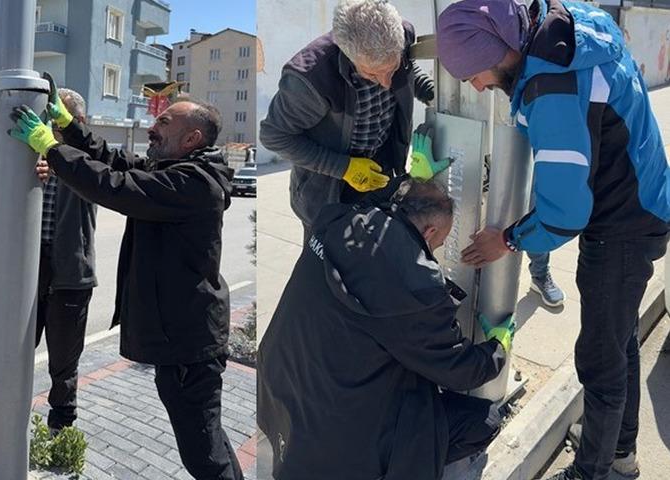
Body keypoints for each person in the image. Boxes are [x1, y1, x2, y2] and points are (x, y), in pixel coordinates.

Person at [436, 1, 670, 479]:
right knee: (618, 340)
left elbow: (565, 214)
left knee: (599, 360)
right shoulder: (561, 25)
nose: (475, 86)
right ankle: (619, 448)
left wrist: (508, 238)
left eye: (474, 74)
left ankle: (593, 471)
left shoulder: (551, 86)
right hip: (642, 199)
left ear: (497, 51)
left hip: (621, 226)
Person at [9, 98, 244, 479]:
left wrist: (51, 148)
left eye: (164, 122)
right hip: (186, 337)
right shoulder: (176, 170)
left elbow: (115, 186)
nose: (153, 127)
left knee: (203, 454)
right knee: (207, 439)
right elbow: (114, 161)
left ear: (191, 138)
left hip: (189, 344)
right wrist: (69, 127)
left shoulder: (193, 183)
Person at [257, 180, 513, 480]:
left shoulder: (338, 221)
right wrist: (497, 348)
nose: (434, 251)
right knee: (485, 421)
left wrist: (414, 180)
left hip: (279, 389)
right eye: (438, 244)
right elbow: (460, 371)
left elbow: (382, 195)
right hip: (337, 445)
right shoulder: (415, 285)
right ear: (430, 232)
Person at [259, 0, 435, 241]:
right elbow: (274, 135)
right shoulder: (309, 79)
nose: (386, 83)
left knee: (376, 252)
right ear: (348, 54)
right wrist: (343, 167)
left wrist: (431, 92)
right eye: (372, 74)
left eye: (391, 69)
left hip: (381, 173)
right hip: (328, 190)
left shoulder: (401, 35)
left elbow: (408, 70)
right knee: (327, 259)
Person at [34, 86, 98, 435]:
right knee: (13, 348)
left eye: (59, 119)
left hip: (71, 272)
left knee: (63, 362)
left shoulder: (89, 160)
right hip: (31, 269)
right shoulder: (36, 154)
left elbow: (92, 178)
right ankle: (6, 419)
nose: (52, 127)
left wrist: (57, 164)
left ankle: (61, 428)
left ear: (79, 121)